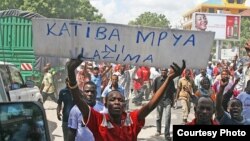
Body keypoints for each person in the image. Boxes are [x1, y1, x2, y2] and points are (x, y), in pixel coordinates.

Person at [67, 57, 185, 141]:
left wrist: (169, 79)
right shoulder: (98, 119)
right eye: (112, 100)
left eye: (120, 100)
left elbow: (150, 105)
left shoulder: (132, 119)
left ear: (124, 104)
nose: (117, 102)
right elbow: (78, 100)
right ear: (106, 104)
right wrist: (71, 73)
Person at [152, 68, 176, 141]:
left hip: (168, 101)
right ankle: (158, 130)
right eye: (162, 70)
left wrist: (173, 101)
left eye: (165, 71)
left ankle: (167, 134)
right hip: (159, 102)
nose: (163, 72)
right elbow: (153, 91)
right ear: (160, 71)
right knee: (158, 117)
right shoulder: (157, 80)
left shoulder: (170, 80)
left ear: (167, 72)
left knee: (167, 118)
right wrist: (154, 101)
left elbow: (173, 92)